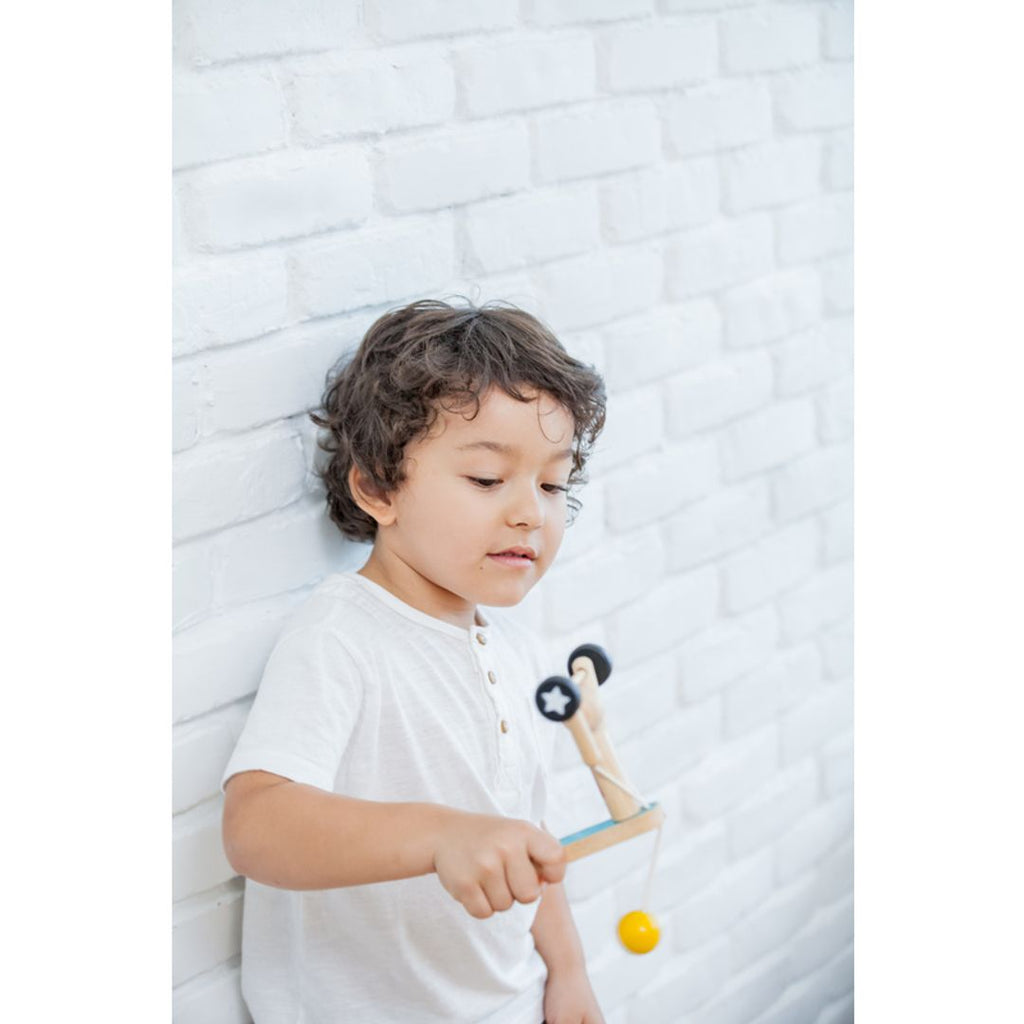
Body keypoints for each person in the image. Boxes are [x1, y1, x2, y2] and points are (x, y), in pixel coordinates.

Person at [221, 299, 608, 1023]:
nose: (530, 512)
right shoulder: (343, 636)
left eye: (553, 485)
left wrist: (568, 970)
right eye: (489, 480)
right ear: (376, 487)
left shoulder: (515, 654)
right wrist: (440, 835)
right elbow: (255, 826)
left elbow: (528, 838)